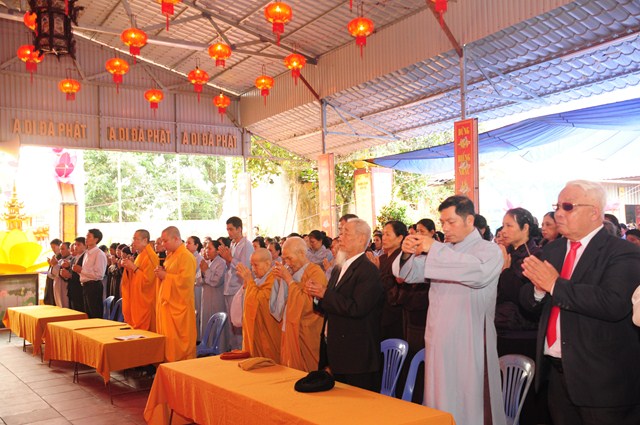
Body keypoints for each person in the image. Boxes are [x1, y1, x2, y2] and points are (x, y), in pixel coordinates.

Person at [521, 180, 640, 425]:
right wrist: (538, 290)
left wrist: (554, 285)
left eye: (568, 207)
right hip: (556, 375)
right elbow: (528, 301)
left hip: (602, 381)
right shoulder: (552, 250)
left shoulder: (622, 251)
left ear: (594, 212)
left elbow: (613, 303)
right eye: (557, 207)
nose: (558, 214)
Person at [392, 195, 506, 425]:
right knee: (440, 398)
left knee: (470, 402)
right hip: (439, 339)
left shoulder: (489, 251)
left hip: (469, 341)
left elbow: (478, 274)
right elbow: (408, 273)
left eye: (451, 222)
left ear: (469, 220)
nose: (445, 228)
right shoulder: (443, 251)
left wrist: (434, 248)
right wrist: (406, 253)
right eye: (442, 222)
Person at [307, 218, 383, 392]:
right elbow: (331, 304)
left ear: (361, 239)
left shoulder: (368, 270)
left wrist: (325, 294)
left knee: (356, 406)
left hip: (356, 355)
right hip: (335, 350)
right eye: (340, 232)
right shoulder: (338, 268)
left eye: (345, 233)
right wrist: (317, 297)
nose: (340, 237)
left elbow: (357, 308)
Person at [270, 237, 327, 372]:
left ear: (302, 253)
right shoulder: (289, 271)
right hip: (289, 329)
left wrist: (289, 281)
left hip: (306, 333)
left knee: (307, 373)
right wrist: (280, 281)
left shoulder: (315, 272)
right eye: (284, 259)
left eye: (289, 258)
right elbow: (279, 307)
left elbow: (309, 306)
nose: (287, 263)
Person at [155, 226, 197, 362]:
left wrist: (165, 276)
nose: (163, 244)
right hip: (168, 307)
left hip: (179, 309)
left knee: (178, 345)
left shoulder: (186, 256)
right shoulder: (171, 255)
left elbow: (186, 283)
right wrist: (162, 272)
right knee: (168, 343)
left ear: (176, 238)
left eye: (165, 241)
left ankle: (179, 370)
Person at [237, 248, 282, 362]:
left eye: (256, 265)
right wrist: (248, 284)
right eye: (251, 265)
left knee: (268, 363)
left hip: (268, 333)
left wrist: (249, 281)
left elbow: (260, 301)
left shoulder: (274, 278)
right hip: (258, 331)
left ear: (267, 263)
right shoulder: (260, 280)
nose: (253, 269)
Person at [218, 216, 254, 350]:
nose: (229, 232)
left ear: (239, 229)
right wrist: (227, 260)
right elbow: (230, 266)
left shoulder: (247, 245)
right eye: (227, 229)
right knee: (232, 324)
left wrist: (230, 259)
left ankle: (241, 350)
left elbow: (245, 268)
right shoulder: (233, 244)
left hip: (239, 288)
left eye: (231, 229)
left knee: (239, 322)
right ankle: (234, 349)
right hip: (229, 288)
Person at [120, 229, 159, 331]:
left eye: (136, 239)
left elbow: (148, 281)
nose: (133, 242)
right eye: (133, 239)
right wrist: (129, 268)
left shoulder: (151, 256)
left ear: (145, 240)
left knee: (146, 335)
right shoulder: (141, 255)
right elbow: (135, 276)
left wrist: (133, 267)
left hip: (146, 303)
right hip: (137, 301)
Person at [74, 229, 107, 319]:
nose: (86, 238)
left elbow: (99, 274)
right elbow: (85, 271)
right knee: (88, 314)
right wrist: (78, 271)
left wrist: (81, 270)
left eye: (89, 236)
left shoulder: (99, 254)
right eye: (86, 236)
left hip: (94, 286)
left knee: (94, 314)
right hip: (85, 286)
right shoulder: (87, 253)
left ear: (96, 239)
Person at [197, 240, 226, 341]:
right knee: (206, 321)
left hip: (216, 297)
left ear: (217, 251)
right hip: (205, 297)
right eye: (206, 248)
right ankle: (206, 345)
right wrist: (203, 273)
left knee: (216, 323)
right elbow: (198, 281)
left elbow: (217, 281)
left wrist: (206, 271)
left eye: (210, 248)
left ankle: (218, 347)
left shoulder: (222, 263)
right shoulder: (207, 262)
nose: (207, 251)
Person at [51, 242, 71, 308]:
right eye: (60, 249)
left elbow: (63, 274)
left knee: (66, 306)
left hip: (65, 287)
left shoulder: (71, 260)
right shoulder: (60, 260)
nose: (61, 251)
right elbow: (51, 274)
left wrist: (55, 265)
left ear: (69, 249)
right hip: (57, 287)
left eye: (63, 249)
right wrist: (53, 264)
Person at [44, 239, 62, 305]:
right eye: (52, 248)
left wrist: (53, 265)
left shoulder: (62, 257)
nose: (53, 249)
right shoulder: (54, 256)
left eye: (54, 247)